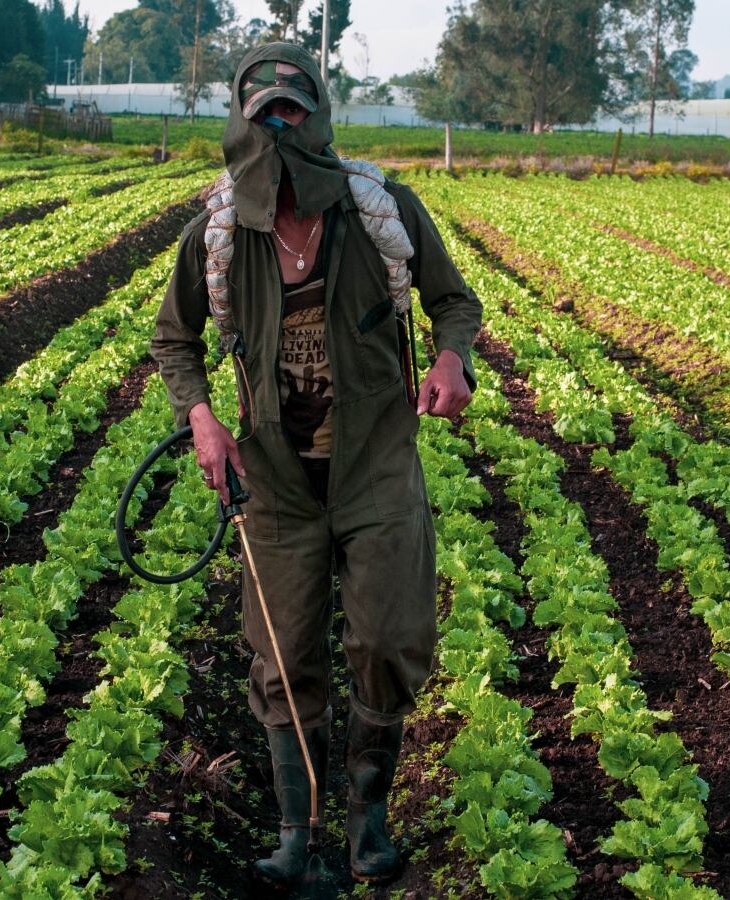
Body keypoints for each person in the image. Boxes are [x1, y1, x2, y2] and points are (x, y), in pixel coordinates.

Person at [149, 41, 481, 885]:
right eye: (264, 117)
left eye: (293, 113)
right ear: (242, 126)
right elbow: (173, 337)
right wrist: (202, 418)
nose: (280, 131)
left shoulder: (382, 212)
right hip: (277, 480)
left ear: (318, 118)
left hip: (375, 466)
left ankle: (368, 822)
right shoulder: (217, 234)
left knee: (386, 638)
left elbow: (452, 301)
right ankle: (299, 833)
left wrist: (451, 361)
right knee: (284, 654)